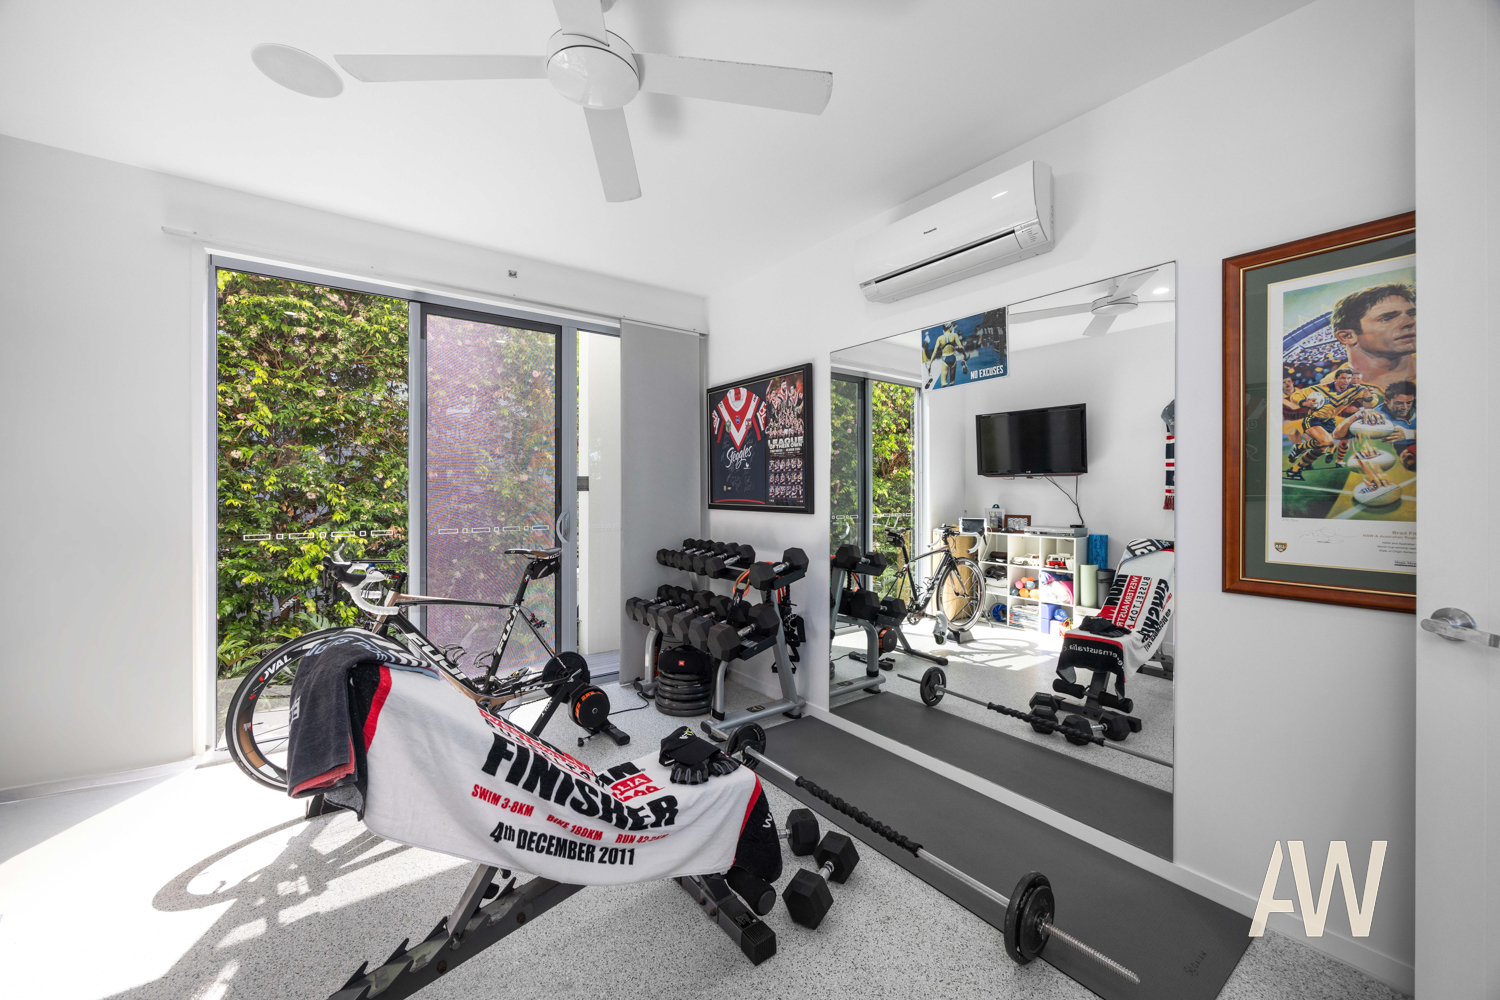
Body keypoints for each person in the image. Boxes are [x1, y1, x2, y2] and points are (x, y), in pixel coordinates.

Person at [1331, 282, 1416, 391]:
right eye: (1387, 318)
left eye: (1412, 314)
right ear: (1348, 336)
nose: (1410, 322)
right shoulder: (1327, 389)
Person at [924, 323, 969, 388]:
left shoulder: (940, 338)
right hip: (953, 358)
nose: (952, 328)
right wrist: (965, 356)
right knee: (952, 383)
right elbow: (960, 347)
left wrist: (930, 364)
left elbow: (934, 352)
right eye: (952, 326)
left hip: (945, 359)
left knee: (943, 384)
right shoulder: (954, 335)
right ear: (949, 327)